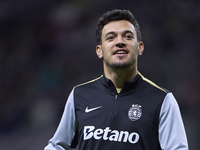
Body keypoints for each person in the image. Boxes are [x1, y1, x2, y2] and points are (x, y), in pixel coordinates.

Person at [44, 9, 188, 150]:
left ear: (140, 47)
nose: (119, 42)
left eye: (128, 36)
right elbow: (57, 145)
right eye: (111, 37)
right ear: (99, 50)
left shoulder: (162, 100)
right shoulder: (79, 95)